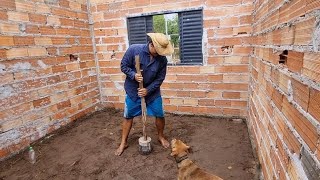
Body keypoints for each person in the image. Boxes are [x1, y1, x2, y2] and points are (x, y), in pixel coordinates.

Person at [115, 33, 174, 156]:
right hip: (133, 91)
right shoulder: (134, 50)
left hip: (152, 92)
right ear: (151, 45)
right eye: (158, 50)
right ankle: (123, 142)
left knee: (160, 114)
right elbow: (123, 66)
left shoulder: (162, 60)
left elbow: (160, 78)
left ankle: (160, 136)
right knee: (128, 115)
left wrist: (148, 90)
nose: (160, 53)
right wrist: (133, 75)